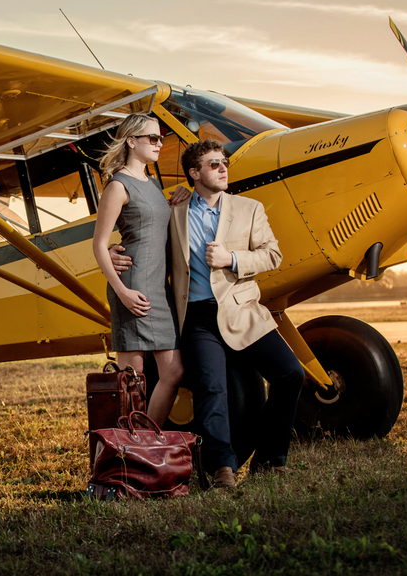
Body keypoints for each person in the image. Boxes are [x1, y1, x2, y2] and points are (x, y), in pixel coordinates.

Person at [112, 139, 303, 489]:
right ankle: (222, 469)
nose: (223, 168)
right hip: (198, 316)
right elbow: (145, 239)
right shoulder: (175, 211)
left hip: (243, 310)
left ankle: (270, 459)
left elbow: (271, 255)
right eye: (214, 164)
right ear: (194, 173)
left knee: (291, 374)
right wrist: (114, 251)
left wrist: (231, 259)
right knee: (211, 387)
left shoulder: (250, 208)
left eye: (224, 162)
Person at [92, 113, 184, 427]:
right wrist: (122, 291)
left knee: (173, 373)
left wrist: (180, 198)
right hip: (132, 286)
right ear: (131, 141)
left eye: (161, 138)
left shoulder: (152, 184)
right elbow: (100, 244)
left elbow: (155, 224)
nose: (160, 143)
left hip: (159, 288)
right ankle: (127, 452)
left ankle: (144, 439)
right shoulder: (118, 185)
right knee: (133, 379)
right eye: (152, 138)